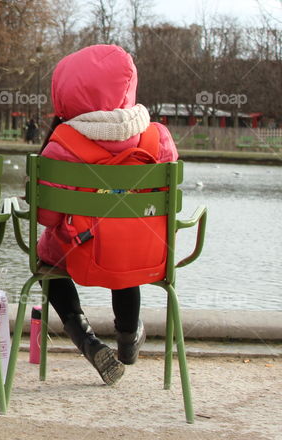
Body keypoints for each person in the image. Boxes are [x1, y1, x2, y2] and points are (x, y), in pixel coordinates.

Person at [35, 44, 178, 385]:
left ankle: (86, 339)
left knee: (46, 259)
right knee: (124, 246)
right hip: (146, 254)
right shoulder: (158, 137)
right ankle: (128, 337)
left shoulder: (62, 143)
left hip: (83, 252)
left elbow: (48, 217)